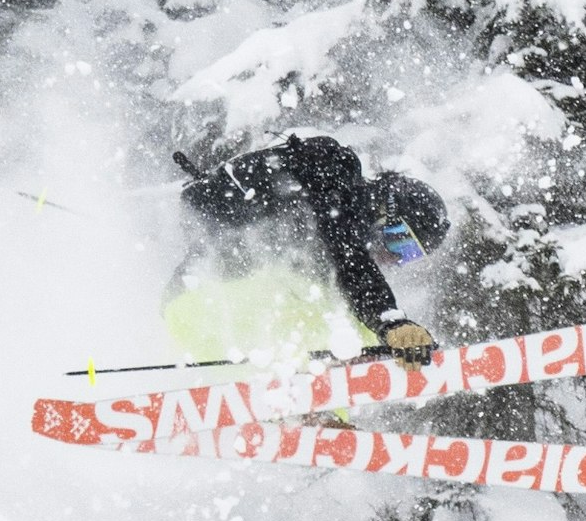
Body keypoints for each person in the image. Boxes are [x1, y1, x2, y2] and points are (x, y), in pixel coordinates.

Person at [163, 134, 451, 369]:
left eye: (410, 254)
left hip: (207, 312)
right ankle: (301, 413)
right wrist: (391, 321)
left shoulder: (334, 228)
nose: (396, 258)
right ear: (384, 212)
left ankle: (322, 419)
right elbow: (348, 259)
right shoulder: (331, 179)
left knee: (349, 328)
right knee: (338, 324)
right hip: (199, 301)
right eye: (402, 242)